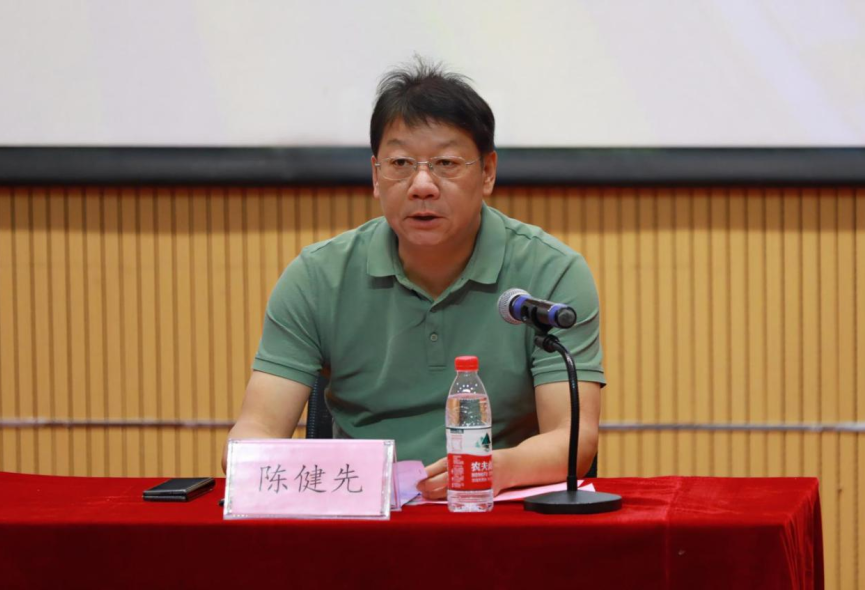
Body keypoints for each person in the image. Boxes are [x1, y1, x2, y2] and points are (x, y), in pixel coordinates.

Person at [225, 58, 604, 500]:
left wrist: (487, 468)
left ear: (487, 173)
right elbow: (255, 432)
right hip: (366, 516)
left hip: (493, 512)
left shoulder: (551, 273)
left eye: (446, 162)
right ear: (375, 176)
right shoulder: (318, 277)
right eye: (401, 162)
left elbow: (573, 438)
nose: (422, 185)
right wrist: (260, 465)